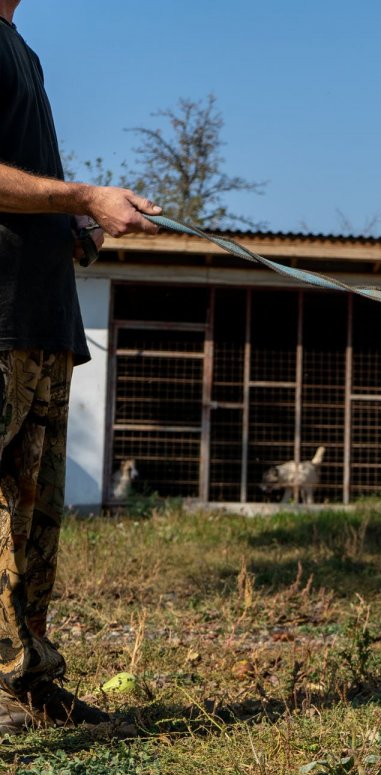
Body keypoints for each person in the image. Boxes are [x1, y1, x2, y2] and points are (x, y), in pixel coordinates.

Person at [0, 0, 161, 732]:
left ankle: (23, 683)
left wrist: (72, 224)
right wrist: (82, 194)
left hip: (41, 320)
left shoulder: (20, 51)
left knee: (30, 524)